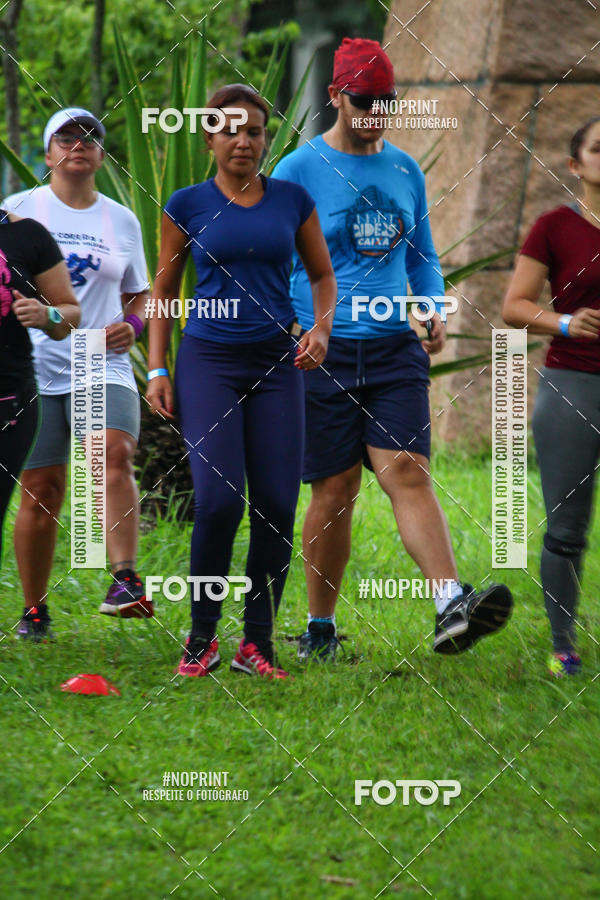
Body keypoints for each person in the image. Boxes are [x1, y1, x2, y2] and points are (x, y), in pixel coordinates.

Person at [273, 37, 513, 660]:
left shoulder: (406, 169)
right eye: (363, 100)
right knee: (335, 489)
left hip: (391, 349)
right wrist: (291, 330)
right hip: (320, 349)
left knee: (407, 470)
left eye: (386, 101)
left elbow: (422, 258)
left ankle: (449, 603)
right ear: (335, 96)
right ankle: (319, 627)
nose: (376, 112)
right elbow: (270, 260)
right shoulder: (297, 170)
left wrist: (430, 308)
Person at [147, 83, 336, 679]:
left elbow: (323, 276)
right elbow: (162, 293)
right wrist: (157, 367)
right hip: (209, 363)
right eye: (229, 129)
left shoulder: (292, 201)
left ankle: (257, 644)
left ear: (266, 138)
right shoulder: (186, 204)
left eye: (253, 130)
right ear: (208, 138)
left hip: (277, 365)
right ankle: (201, 637)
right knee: (221, 500)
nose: (242, 141)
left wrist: (321, 331)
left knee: (278, 503)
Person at [3, 107, 152, 638]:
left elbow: (140, 291)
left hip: (99, 358)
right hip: (33, 365)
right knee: (42, 486)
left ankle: (124, 577)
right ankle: (35, 609)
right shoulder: (17, 212)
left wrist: (133, 323)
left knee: (112, 453)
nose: (78, 145)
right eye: (65, 138)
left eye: (90, 137)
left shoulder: (121, 219)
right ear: (47, 155)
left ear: (101, 154)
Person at [503, 118, 600, 677]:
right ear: (575, 165)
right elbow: (516, 306)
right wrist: (564, 323)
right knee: (567, 527)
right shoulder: (554, 227)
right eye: (598, 149)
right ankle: (564, 644)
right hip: (572, 386)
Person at [0, 206, 80, 639]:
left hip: (9, 398)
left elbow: (69, 313)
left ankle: (33, 614)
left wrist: (45, 315)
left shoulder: (27, 235)